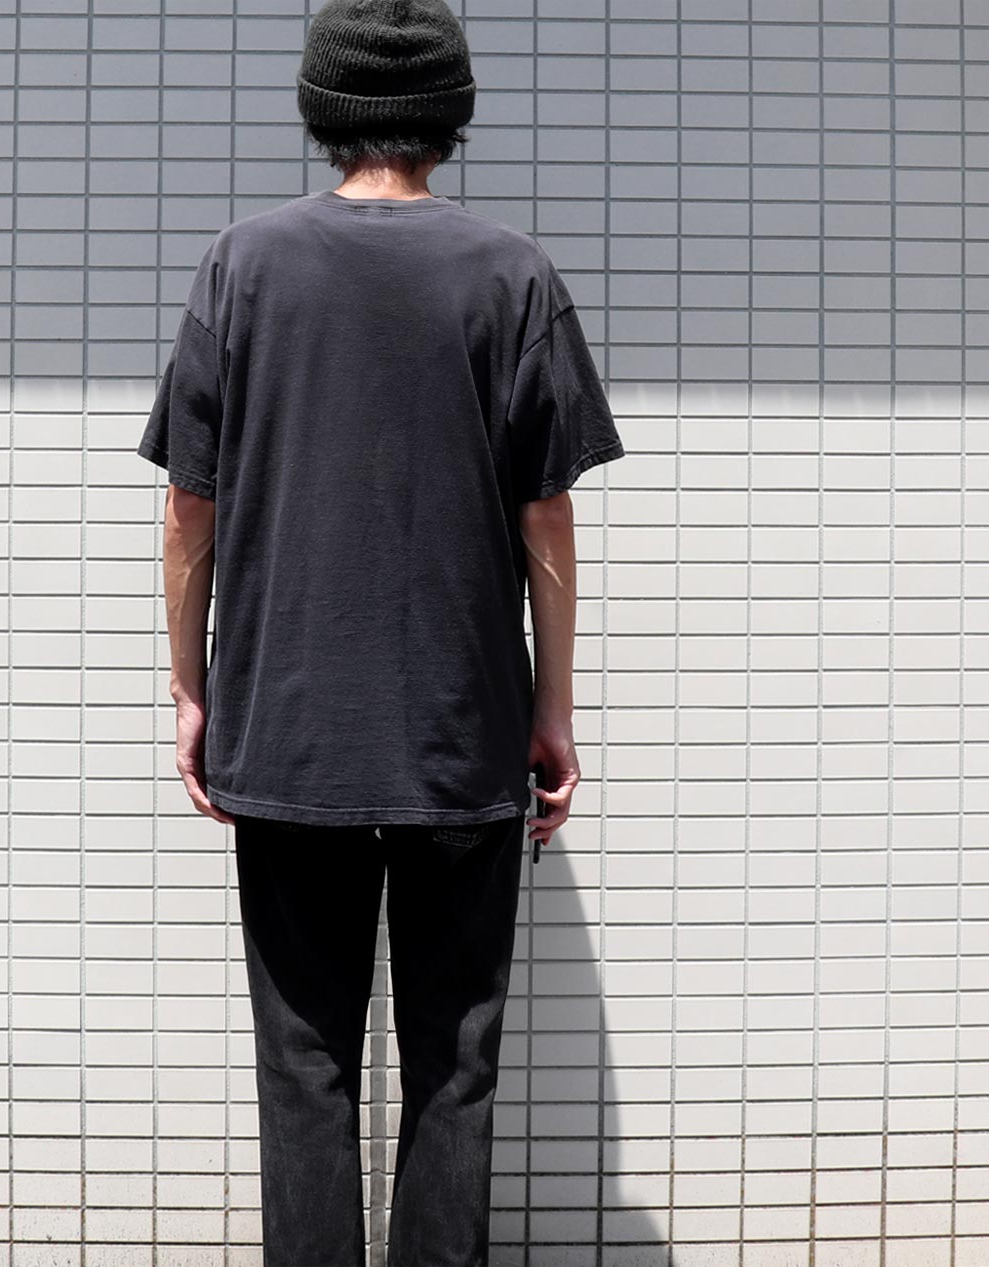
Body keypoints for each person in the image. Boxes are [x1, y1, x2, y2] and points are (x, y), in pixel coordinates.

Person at [136, 1, 625, 1261]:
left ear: (323, 110)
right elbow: (546, 513)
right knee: (455, 1066)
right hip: (463, 730)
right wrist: (551, 709)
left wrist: (190, 688)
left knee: (303, 1066)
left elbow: (189, 506)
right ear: (450, 116)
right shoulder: (512, 275)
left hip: (288, 726)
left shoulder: (242, 267)